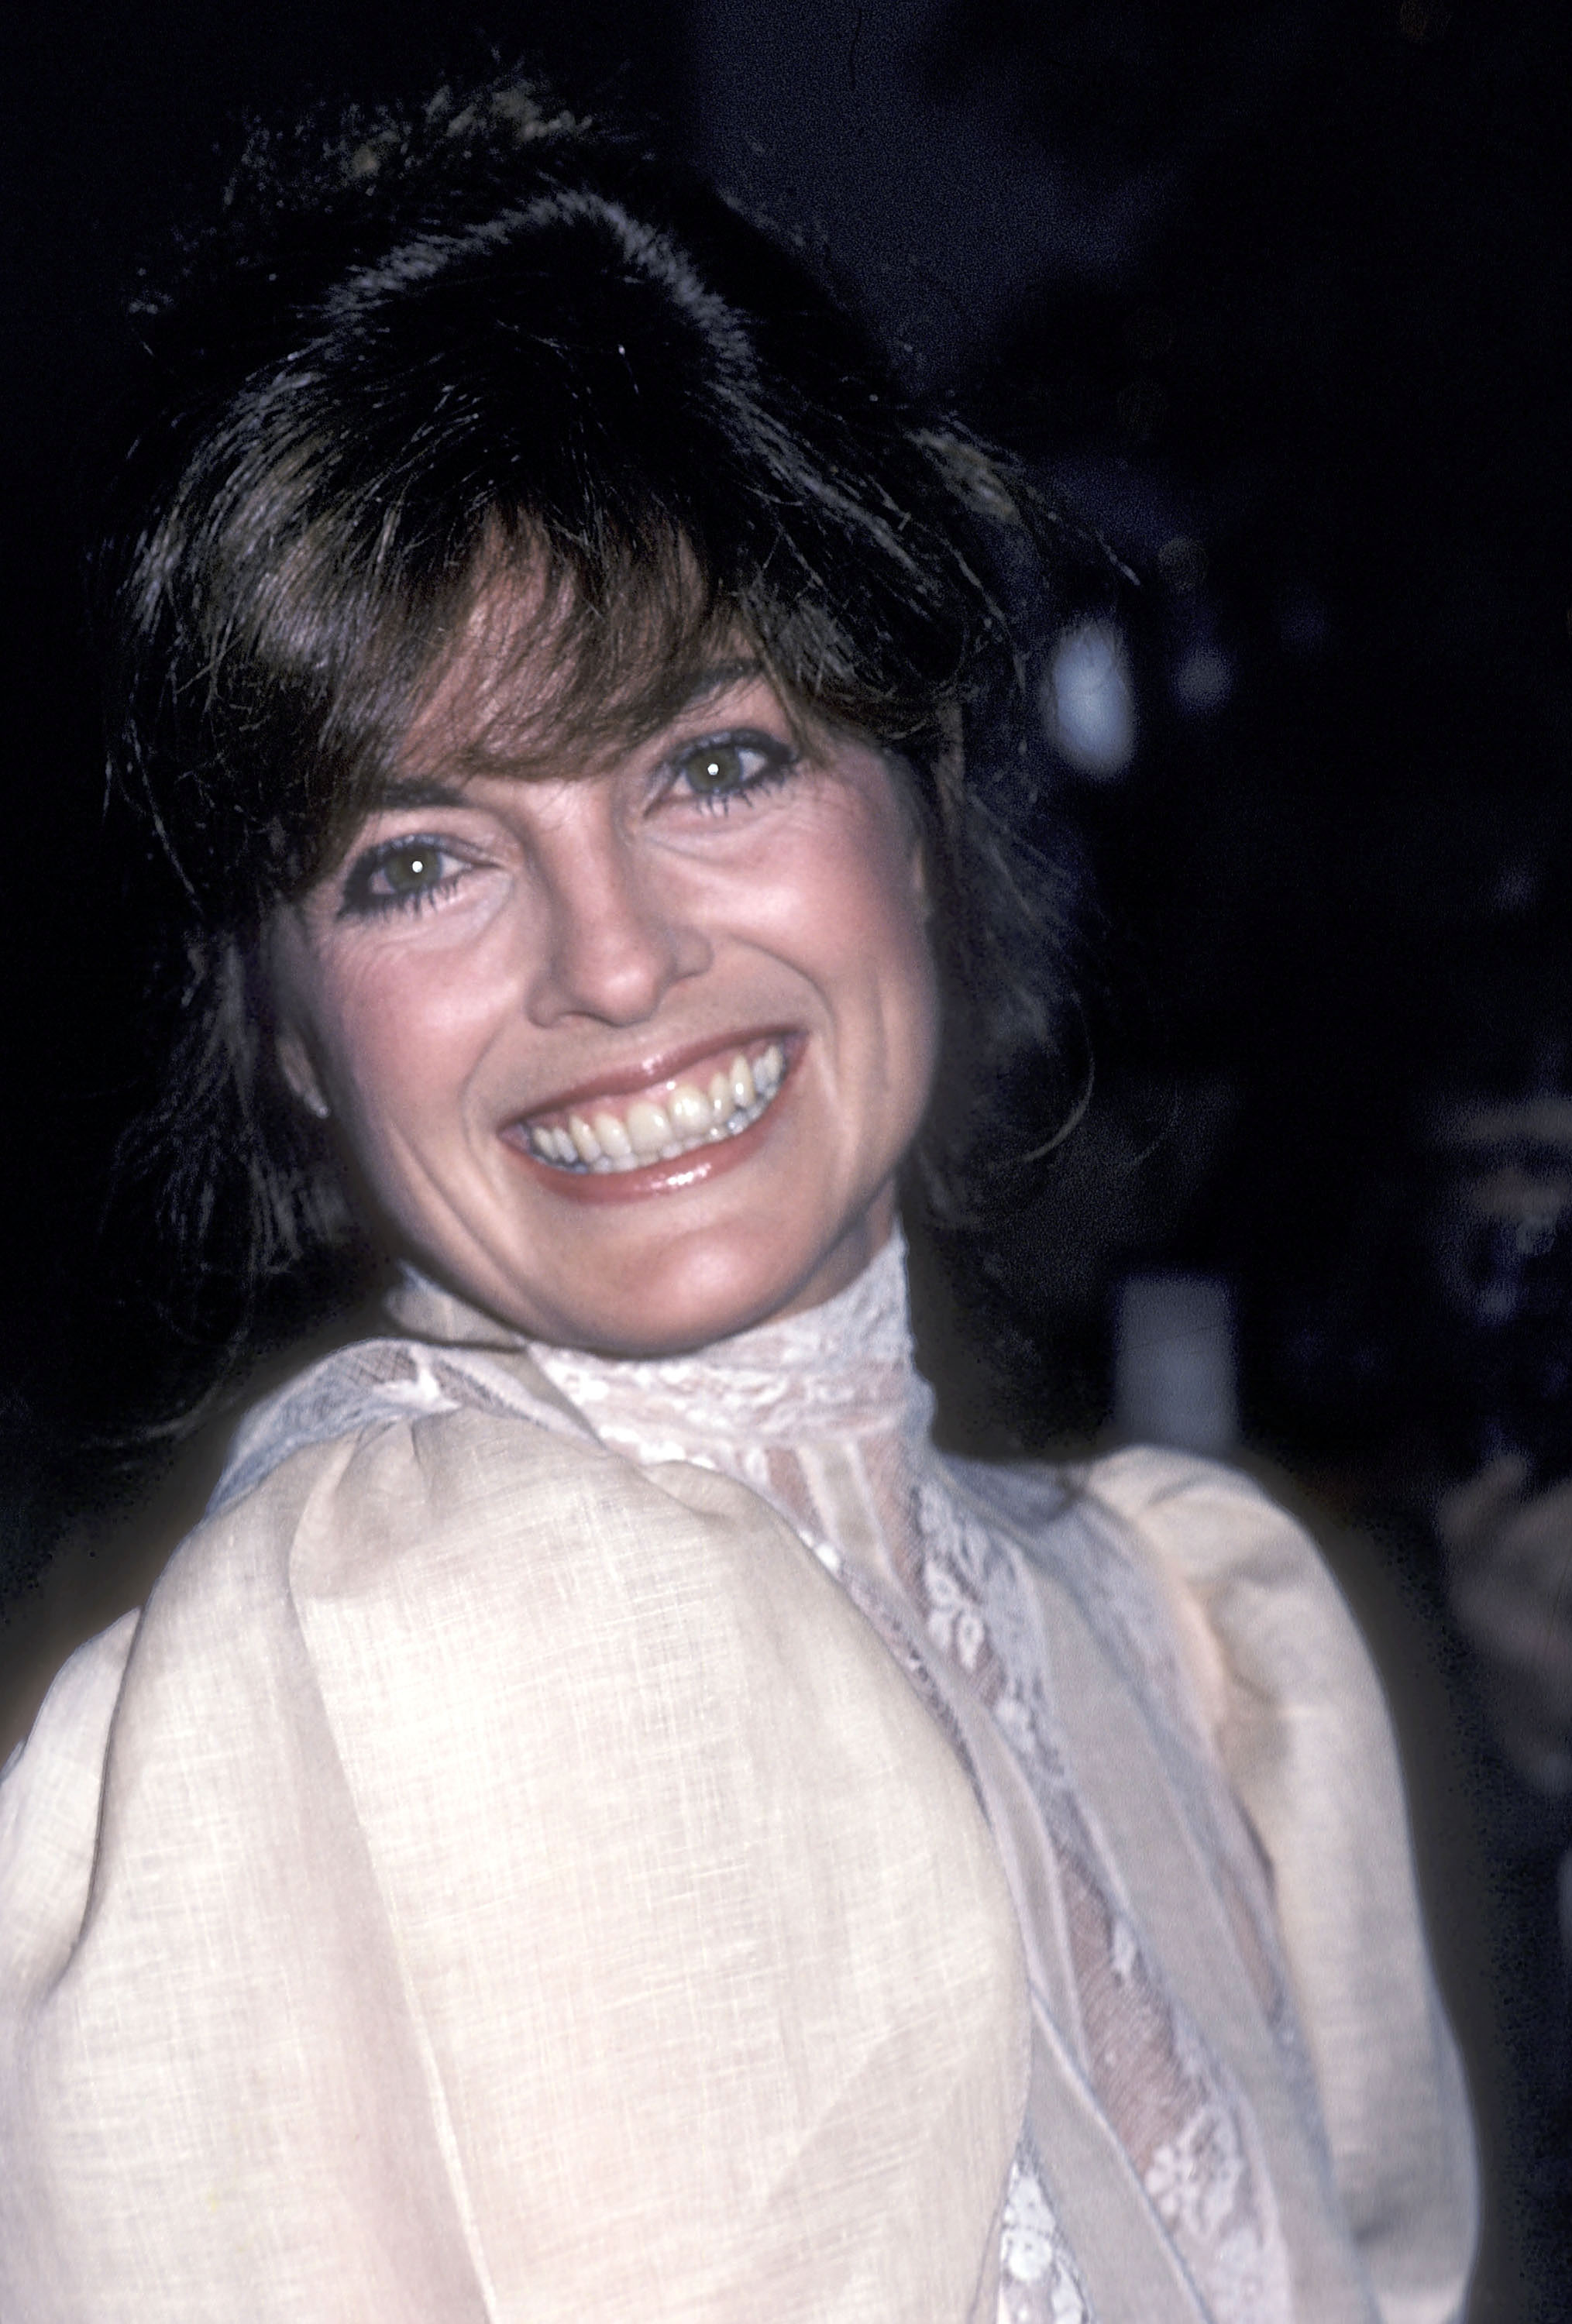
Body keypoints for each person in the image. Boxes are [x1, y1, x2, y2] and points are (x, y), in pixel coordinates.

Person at [0, 78, 1476, 2322]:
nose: (611, 964)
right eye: (417, 860)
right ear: (287, 1030)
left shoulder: (1190, 1646)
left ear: (918, 792)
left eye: (716, 757)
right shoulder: (344, 1675)